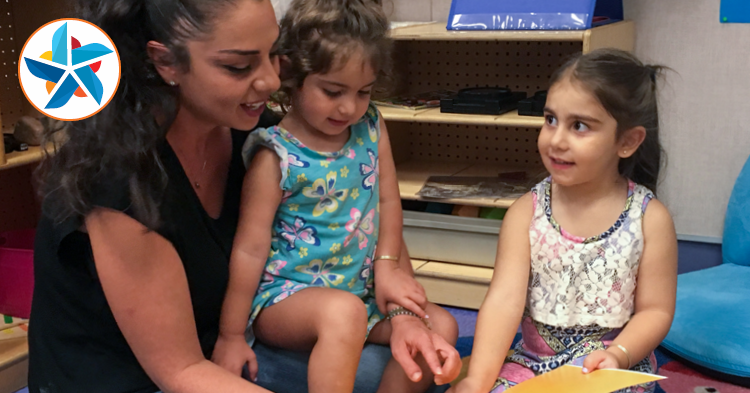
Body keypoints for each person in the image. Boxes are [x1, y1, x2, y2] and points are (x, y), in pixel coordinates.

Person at [27, 0, 455, 392]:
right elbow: (181, 370)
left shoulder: (259, 129)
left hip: (234, 346)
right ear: (166, 62)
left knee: (423, 352)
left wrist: (402, 312)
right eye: (238, 67)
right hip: (140, 378)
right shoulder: (119, 183)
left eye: (274, 55)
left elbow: (365, 211)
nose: (271, 80)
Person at [211, 0, 460, 392]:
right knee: (343, 315)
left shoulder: (371, 126)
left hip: (360, 292)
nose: (349, 107)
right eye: (332, 91)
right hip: (287, 299)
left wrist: (389, 268)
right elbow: (249, 249)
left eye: (363, 92)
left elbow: (387, 203)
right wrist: (230, 335)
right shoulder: (276, 155)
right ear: (292, 75)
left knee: (442, 325)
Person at [448, 49, 678, 393]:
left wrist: (619, 355)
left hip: (606, 368)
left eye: (579, 126)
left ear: (628, 141)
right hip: (533, 364)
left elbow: (656, 311)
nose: (555, 140)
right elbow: (503, 303)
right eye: (550, 119)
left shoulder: (650, 219)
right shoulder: (526, 212)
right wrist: (477, 382)